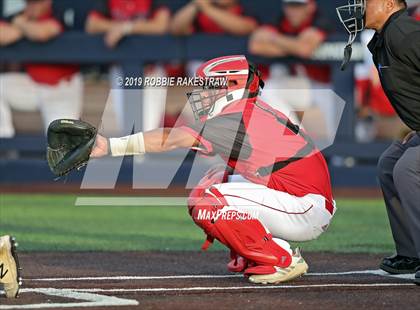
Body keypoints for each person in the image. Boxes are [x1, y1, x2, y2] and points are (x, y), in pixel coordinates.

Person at [91, 55, 336, 284]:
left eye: (210, 86)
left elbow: (172, 139)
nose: (203, 92)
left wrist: (111, 145)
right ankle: (255, 251)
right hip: (301, 200)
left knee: (208, 201)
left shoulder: (234, 117)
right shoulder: (247, 110)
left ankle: (281, 259)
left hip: (305, 208)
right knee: (215, 179)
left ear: (232, 86)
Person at [338, 0, 420, 285]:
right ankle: (411, 253)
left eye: (365, 2)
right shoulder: (385, 39)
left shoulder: (407, 35)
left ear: (388, 4)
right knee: (390, 163)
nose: (359, 7)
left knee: (408, 167)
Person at [248, 0, 338, 137]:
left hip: (326, 86)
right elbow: (256, 45)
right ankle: (298, 139)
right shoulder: (280, 21)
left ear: (310, 6)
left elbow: (304, 49)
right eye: (290, 5)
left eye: (298, 6)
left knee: (335, 136)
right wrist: (293, 46)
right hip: (300, 85)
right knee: (268, 90)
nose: (293, 11)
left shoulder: (319, 20)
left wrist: (273, 38)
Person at [85, 0, 171, 133]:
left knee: (147, 131)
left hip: (151, 70)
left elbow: (161, 25)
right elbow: (92, 24)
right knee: (127, 130)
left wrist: (126, 28)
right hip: (121, 71)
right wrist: (120, 27)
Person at [0, 0, 83, 138]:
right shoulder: (21, 16)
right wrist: (26, 28)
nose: (31, 6)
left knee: (61, 148)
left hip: (62, 88)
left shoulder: (58, 12)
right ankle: (4, 144)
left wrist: (20, 25)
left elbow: (42, 33)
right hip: (33, 84)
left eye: (36, 3)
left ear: (47, 2)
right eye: (29, 3)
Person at [170, 0, 257, 76]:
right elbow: (176, 29)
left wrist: (207, 8)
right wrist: (196, 4)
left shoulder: (245, 8)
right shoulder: (198, 11)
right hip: (203, 62)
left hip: (236, 64)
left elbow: (244, 28)